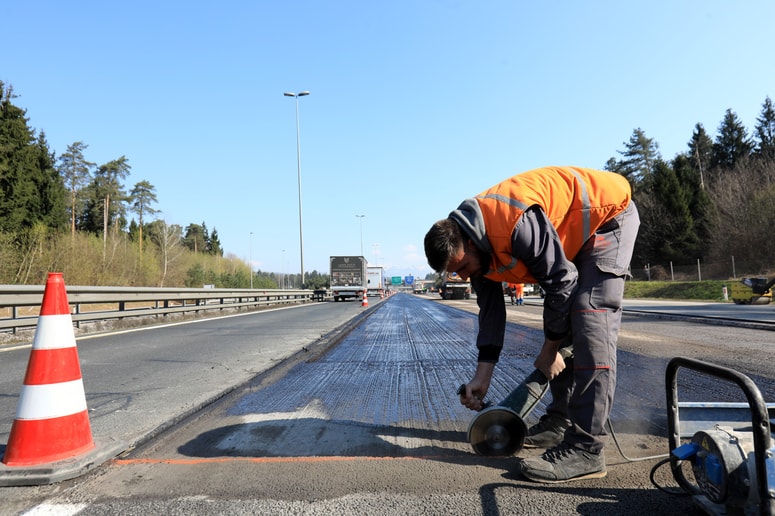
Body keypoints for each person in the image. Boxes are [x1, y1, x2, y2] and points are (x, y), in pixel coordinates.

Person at [424, 166, 639, 483]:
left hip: (607, 219)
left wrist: (551, 349)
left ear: (469, 244)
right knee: (563, 322)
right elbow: (491, 311)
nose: (464, 277)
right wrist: (481, 376)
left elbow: (561, 283)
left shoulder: (514, 223)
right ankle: (560, 423)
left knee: (589, 316)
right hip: (571, 237)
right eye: (456, 273)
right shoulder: (474, 245)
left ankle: (587, 450)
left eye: (464, 268)